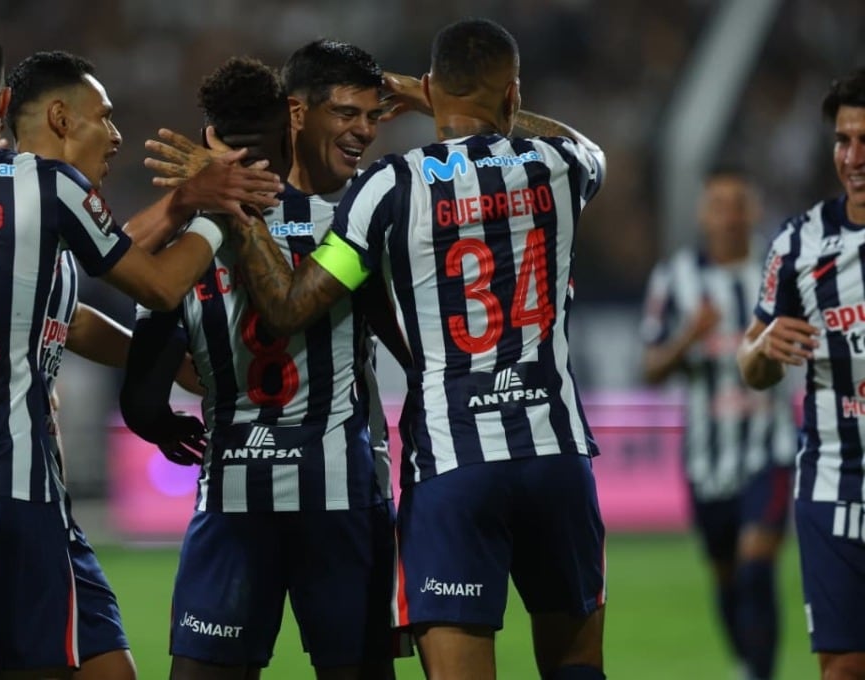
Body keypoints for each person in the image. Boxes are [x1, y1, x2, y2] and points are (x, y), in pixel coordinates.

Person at [0, 26, 272, 679]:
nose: (116, 134)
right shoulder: (44, 189)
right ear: (4, 102)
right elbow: (149, 279)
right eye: (106, 118)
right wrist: (209, 207)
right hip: (6, 483)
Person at [215, 18, 608, 680]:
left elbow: (288, 305)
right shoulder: (561, 165)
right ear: (512, 95)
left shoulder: (389, 185)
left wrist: (236, 209)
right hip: (557, 458)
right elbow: (584, 144)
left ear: (429, 86)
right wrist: (449, 101)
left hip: (456, 467)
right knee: (576, 668)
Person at [121, 46, 411, 680]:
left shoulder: (178, 247)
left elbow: (142, 401)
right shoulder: (348, 221)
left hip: (232, 496)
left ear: (207, 141)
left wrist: (171, 426)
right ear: (290, 129)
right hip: (339, 498)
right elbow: (409, 345)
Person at [640, 167, 795, 680]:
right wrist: (690, 335)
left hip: (769, 448)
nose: (730, 216)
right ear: (704, 214)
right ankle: (746, 662)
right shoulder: (675, 278)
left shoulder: (781, 273)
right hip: (707, 458)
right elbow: (651, 372)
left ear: (754, 211)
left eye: (739, 204)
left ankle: (757, 673)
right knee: (729, 576)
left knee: (755, 565)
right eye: (719, 205)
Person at [737, 67, 865, 680]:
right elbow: (748, 362)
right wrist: (764, 347)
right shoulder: (798, 244)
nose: (854, 157)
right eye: (844, 140)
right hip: (833, 483)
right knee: (842, 667)